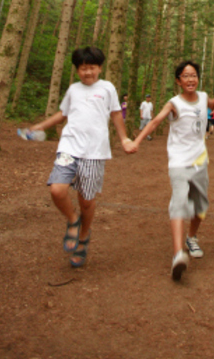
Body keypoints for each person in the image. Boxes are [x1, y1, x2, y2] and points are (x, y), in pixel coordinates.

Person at [28, 46, 135, 268]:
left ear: (100, 68)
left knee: (86, 201)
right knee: (57, 190)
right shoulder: (73, 90)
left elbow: (116, 113)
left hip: (94, 153)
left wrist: (124, 139)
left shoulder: (107, 88)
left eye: (92, 68)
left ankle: (83, 238)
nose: (88, 73)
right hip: (69, 147)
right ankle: (73, 221)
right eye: (83, 68)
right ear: (77, 70)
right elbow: (63, 114)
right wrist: (40, 126)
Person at [133, 60, 214, 280]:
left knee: (200, 206)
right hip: (178, 161)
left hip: (200, 161)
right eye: (185, 76)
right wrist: (137, 141)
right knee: (179, 202)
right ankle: (178, 254)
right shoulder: (174, 103)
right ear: (178, 81)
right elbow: (155, 122)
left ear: (198, 78)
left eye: (193, 75)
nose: (190, 79)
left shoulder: (204, 97)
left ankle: (192, 236)